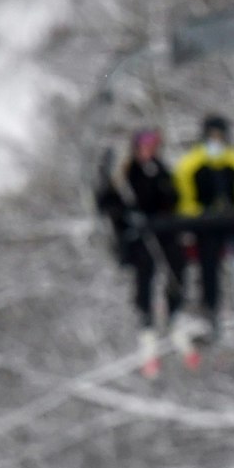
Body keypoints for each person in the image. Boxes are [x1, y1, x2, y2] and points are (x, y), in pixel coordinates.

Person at [100, 129, 188, 374]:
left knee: (175, 268)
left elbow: (173, 198)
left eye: (152, 145)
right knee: (145, 275)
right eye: (144, 145)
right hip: (138, 239)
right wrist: (126, 215)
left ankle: (175, 313)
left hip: (163, 234)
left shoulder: (162, 170)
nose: (148, 150)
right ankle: (147, 323)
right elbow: (107, 203)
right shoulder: (126, 174)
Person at [173, 114, 234, 343]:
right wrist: (199, 214)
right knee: (208, 257)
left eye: (220, 137)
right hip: (206, 224)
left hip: (232, 222)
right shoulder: (192, 164)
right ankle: (210, 306)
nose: (216, 142)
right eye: (211, 137)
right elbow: (185, 199)